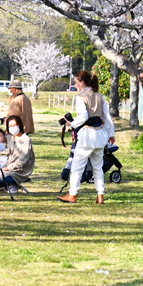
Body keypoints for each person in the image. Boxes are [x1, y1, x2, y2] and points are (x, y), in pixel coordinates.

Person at [57, 70, 116, 205]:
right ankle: (100, 195)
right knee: (98, 167)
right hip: (100, 134)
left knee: (77, 166)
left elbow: (83, 117)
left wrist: (72, 123)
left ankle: (72, 194)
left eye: (77, 82)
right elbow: (107, 117)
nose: (76, 85)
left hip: (87, 135)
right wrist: (111, 134)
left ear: (82, 82)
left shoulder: (80, 97)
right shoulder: (100, 96)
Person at [2, 115, 35, 194]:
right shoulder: (9, 138)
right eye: (10, 126)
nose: (12, 128)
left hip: (19, 170)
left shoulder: (26, 140)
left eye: (14, 125)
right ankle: (8, 185)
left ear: (19, 125)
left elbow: (23, 160)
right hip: (4, 167)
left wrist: (9, 167)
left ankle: (13, 184)